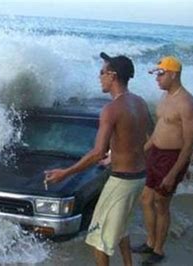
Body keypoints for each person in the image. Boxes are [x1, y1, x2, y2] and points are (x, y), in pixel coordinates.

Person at [44, 52, 152, 266]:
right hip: (139, 178)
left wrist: (64, 173)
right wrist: (118, 154)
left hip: (122, 181)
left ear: (112, 75)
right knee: (120, 228)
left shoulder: (111, 109)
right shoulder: (139, 102)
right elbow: (150, 136)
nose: (99, 77)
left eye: (101, 72)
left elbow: (96, 153)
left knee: (98, 239)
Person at [132, 56, 193, 265]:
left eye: (160, 74)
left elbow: (189, 145)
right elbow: (158, 132)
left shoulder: (187, 103)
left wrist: (172, 174)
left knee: (161, 203)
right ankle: (150, 241)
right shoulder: (165, 97)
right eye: (156, 74)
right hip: (155, 154)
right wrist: (141, 151)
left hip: (172, 158)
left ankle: (159, 250)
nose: (157, 78)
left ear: (173, 74)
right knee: (145, 199)